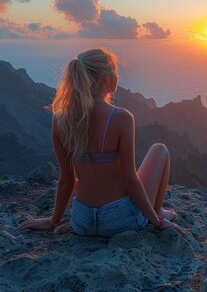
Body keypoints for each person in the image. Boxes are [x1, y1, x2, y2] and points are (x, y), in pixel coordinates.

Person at [18, 48, 185, 236]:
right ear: (107, 79)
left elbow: (66, 180)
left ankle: (153, 212)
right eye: (115, 70)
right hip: (121, 220)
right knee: (159, 149)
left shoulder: (60, 120)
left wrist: (53, 221)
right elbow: (130, 180)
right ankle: (159, 211)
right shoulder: (121, 117)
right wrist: (158, 222)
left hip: (82, 222)